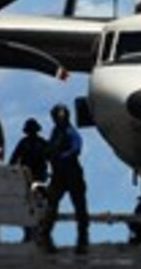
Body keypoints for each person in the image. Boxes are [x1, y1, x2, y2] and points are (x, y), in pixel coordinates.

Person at [39, 104, 90, 254]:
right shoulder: (56, 132)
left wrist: (61, 156)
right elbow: (51, 147)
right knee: (52, 203)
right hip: (59, 174)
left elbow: (76, 147)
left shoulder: (69, 132)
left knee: (79, 207)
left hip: (71, 173)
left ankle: (82, 239)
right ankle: (45, 235)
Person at [9, 117, 50, 183]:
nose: (32, 133)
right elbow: (14, 158)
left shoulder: (42, 142)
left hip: (40, 175)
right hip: (25, 174)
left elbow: (50, 156)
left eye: (33, 130)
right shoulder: (23, 142)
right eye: (30, 131)